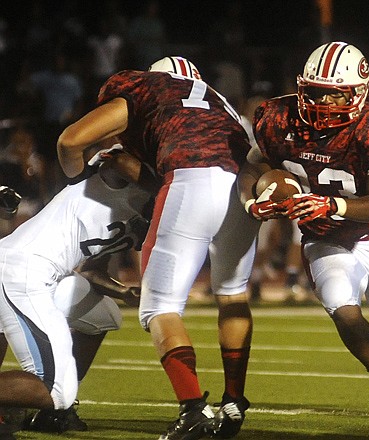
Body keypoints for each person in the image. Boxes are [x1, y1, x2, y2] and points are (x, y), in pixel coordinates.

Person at [56, 56, 261, 440]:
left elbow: (70, 140)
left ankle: (192, 409)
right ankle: (233, 401)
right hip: (241, 187)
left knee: (160, 307)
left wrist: (76, 182)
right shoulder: (220, 101)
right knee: (233, 295)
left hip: (189, 181)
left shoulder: (148, 87)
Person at [238, 41, 369, 434]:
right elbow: (251, 168)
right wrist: (251, 201)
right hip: (324, 237)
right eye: (316, 90)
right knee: (342, 308)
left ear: (359, 92)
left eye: (334, 93)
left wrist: (331, 205)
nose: (323, 100)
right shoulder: (277, 117)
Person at [0, 148, 154, 440]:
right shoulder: (123, 174)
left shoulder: (142, 219)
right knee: (55, 388)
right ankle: (50, 404)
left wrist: (125, 292)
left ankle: (52, 414)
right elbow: (118, 161)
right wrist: (167, 190)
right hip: (25, 269)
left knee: (103, 315)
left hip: (32, 271)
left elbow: (90, 271)